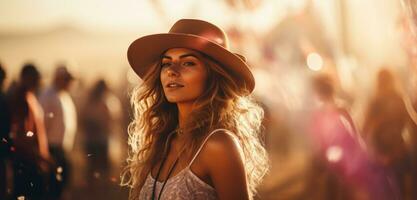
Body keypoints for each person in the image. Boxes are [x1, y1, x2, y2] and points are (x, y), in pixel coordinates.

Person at [121, 19, 269, 200]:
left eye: (188, 63)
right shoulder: (163, 141)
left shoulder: (218, 145)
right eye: (166, 63)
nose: (171, 71)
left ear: (213, 75)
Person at [8, 63, 52, 199]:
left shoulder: (30, 97)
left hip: (33, 159)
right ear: (26, 78)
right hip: (27, 161)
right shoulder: (21, 99)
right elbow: (22, 134)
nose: (38, 81)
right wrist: (39, 157)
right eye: (35, 77)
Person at [39, 65, 77, 198]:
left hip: (62, 149)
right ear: (58, 78)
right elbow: (42, 125)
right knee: (53, 189)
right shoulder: (48, 96)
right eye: (66, 79)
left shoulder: (64, 96)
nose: (69, 83)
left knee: (62, 187)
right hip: (51, 149)